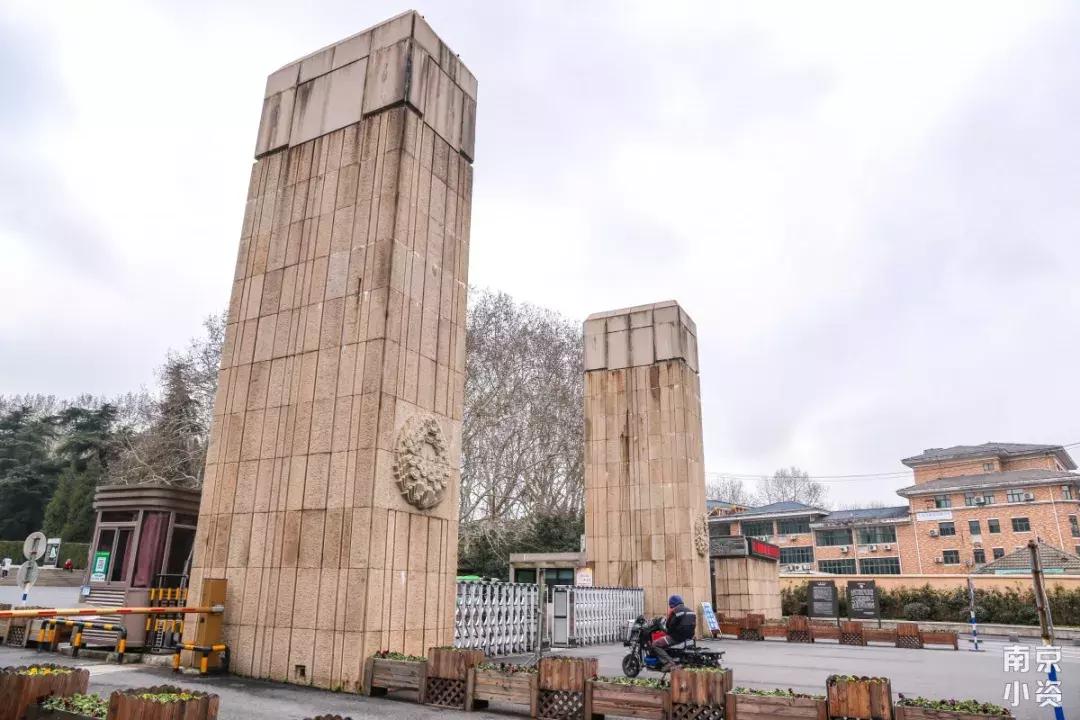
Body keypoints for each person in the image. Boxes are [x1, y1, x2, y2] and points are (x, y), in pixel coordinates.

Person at [652, 595, 697, 671]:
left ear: (672, 604)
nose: (670, 607)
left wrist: (666, 629)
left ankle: (669, 662)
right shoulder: (691, 611)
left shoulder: (675, 611)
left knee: (655, 644)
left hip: (676, 637)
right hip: (689, 637)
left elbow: (669, 625)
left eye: (670, 606)